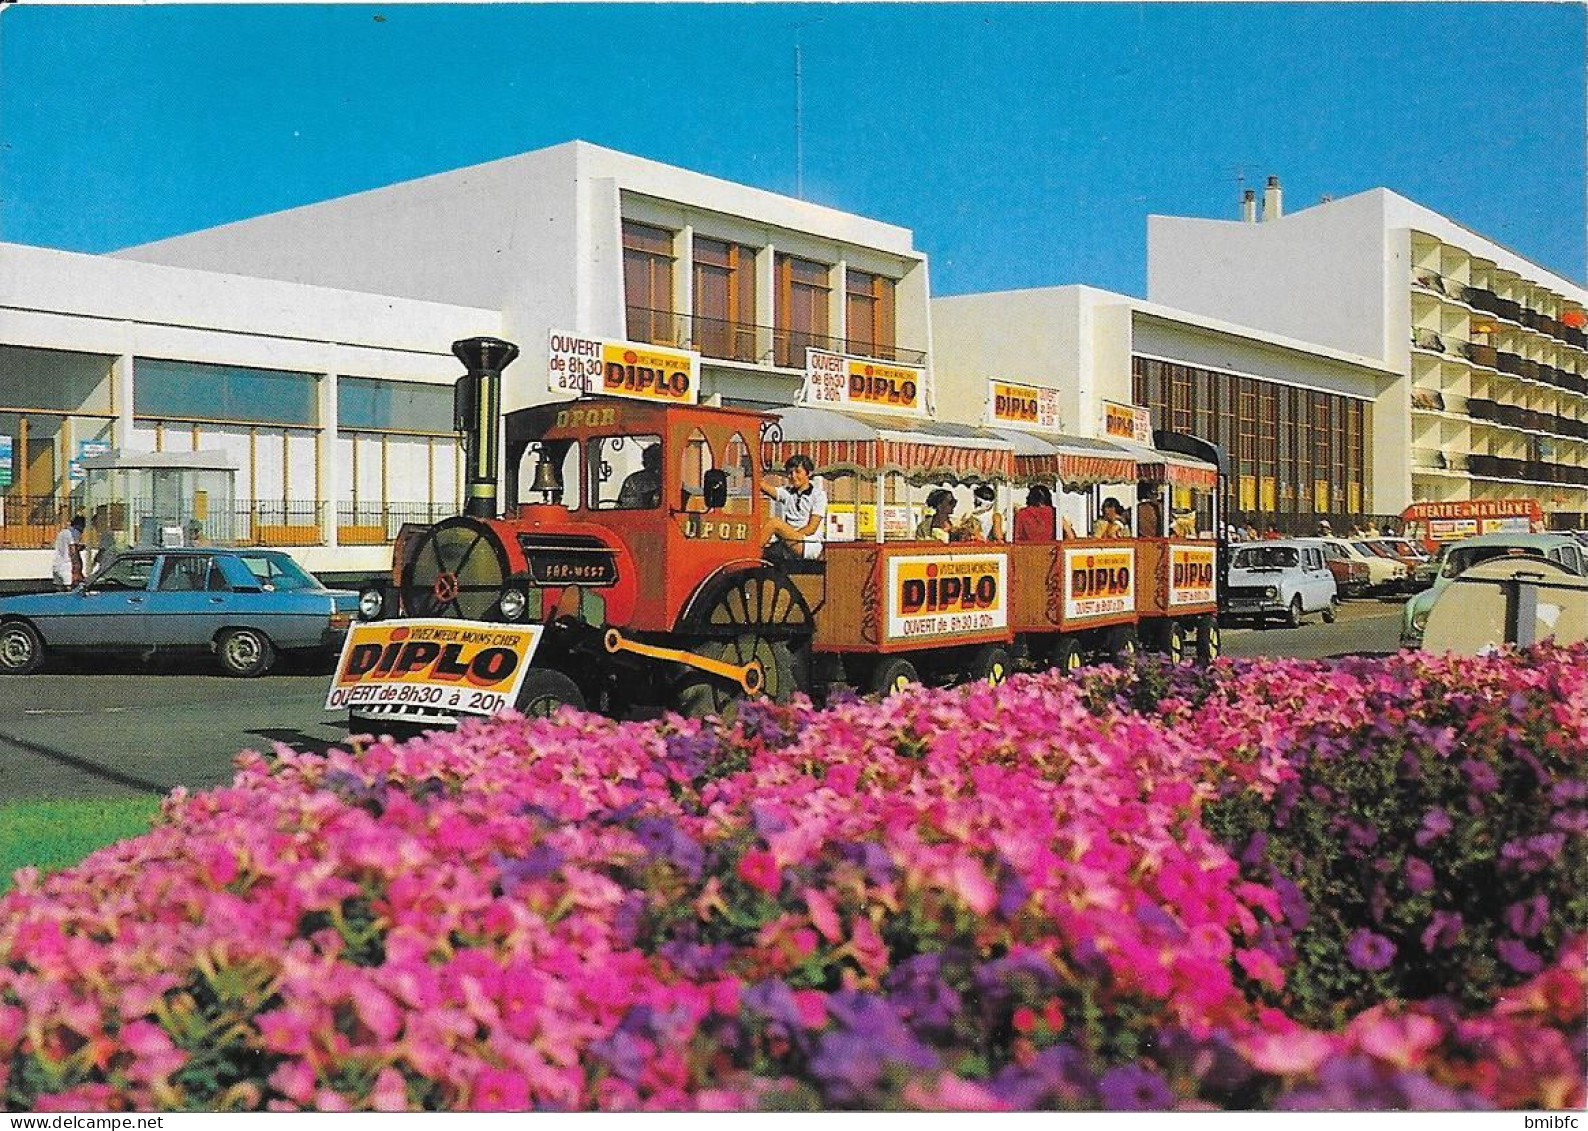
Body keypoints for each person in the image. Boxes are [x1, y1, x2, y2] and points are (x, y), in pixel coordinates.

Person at [759, 453, 827, 561]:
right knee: (767, 551)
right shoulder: (788, 492)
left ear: (808, 473)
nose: (793, 476)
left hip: (808, 543)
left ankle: (749, 554)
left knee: (774, 523)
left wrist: (786, 537)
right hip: (791, 541)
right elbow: (763, 487)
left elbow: (811, 528)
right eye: (790, 473)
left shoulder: (818, 495)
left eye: (798, 472)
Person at [617, 444, 663, 509]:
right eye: (651, 461)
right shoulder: (634, 481)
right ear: (644, 464)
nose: (656, 468)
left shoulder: (673, 480)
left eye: (657, 461)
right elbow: (626, 509)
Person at [52, 515, 86, 589]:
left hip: (56, 565)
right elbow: (72, 551)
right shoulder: (75, 532)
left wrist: (79, 547)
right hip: (67, 567)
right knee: (70, 591)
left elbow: (64, 547)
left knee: (59, 592)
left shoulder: (62, 532)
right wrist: (77, 571)